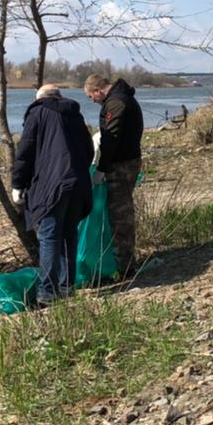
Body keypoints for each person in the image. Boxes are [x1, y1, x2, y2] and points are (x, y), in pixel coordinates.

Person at [11, 84, 95, 304]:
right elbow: (89, 151)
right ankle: (67, 287)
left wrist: (18, 184)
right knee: (69, 234)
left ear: (40, 98)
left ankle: (47, 292)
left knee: (49, 236)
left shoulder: (37, 112)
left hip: (52, 186)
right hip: (77, 184)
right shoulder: (75, 115)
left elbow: (25, 152)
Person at [84, 74, 145, 278]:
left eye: (90, 96)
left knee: (120, 214)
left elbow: (111, 138)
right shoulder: (122, 98)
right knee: (120, 210)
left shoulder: (117, 103)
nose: (91, 100)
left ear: (98, 90)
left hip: (121, 164)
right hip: (127, 160)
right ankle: (122, 260)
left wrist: (101, 168)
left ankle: (125, 266)